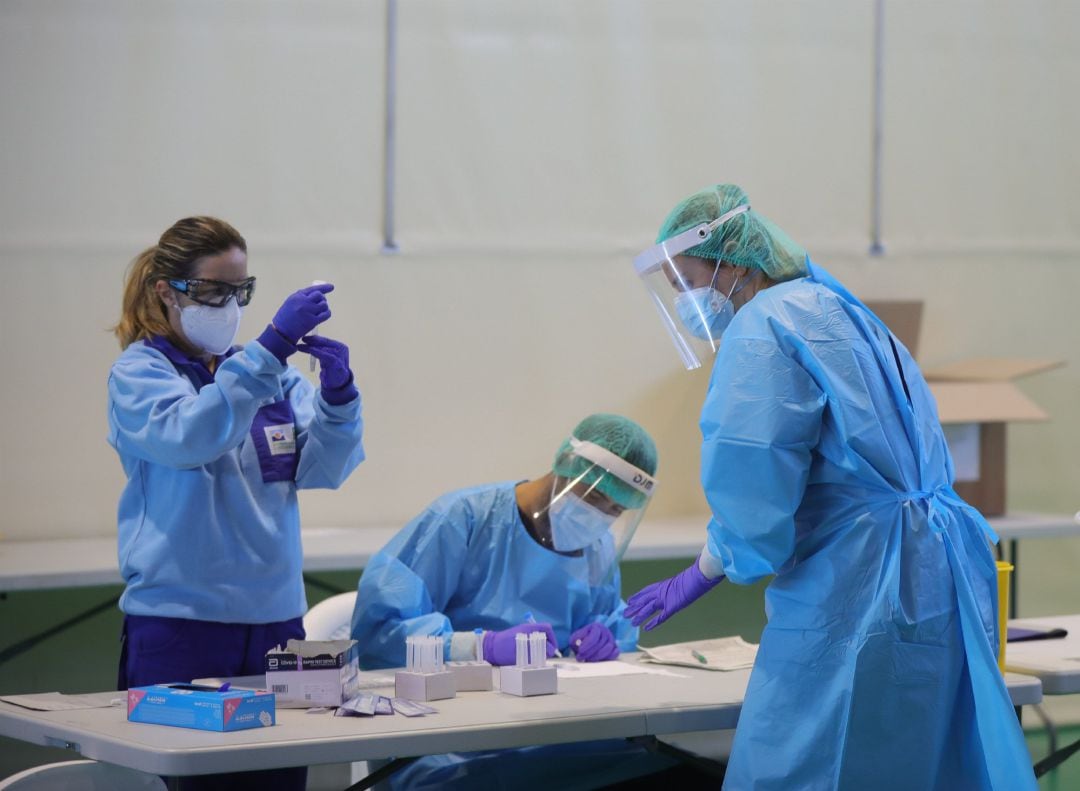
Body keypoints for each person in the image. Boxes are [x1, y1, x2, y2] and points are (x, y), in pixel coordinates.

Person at [623, 184, 1037, 790]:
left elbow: (754, 479)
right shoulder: (834, 307)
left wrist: (707, 569)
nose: (688, 301)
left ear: (733, 261)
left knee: (812, 762)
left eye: (689, 281)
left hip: (855, 590)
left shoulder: (761, 328)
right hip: (931, 579)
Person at [108, 216, 365, 791]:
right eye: (213, 291)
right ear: (165, 291)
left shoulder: (267, 375)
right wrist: (271, 349)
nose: (229, 305)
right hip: (181, 623)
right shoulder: (141, 374)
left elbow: (325, 468)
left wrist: (338, 397)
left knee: (275, 781)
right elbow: (192, 436)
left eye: (240, 291)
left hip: (274, 618)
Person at [351, 414, 688, 789]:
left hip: (559, 738)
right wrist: (482, 646)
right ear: (564, 464)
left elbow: (608, 620)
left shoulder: (596, 545)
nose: (598, 517)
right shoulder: (464, 519)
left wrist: (605, 640)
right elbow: (379, 634)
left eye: (614, 510)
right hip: (454, 745)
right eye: (593, 498)